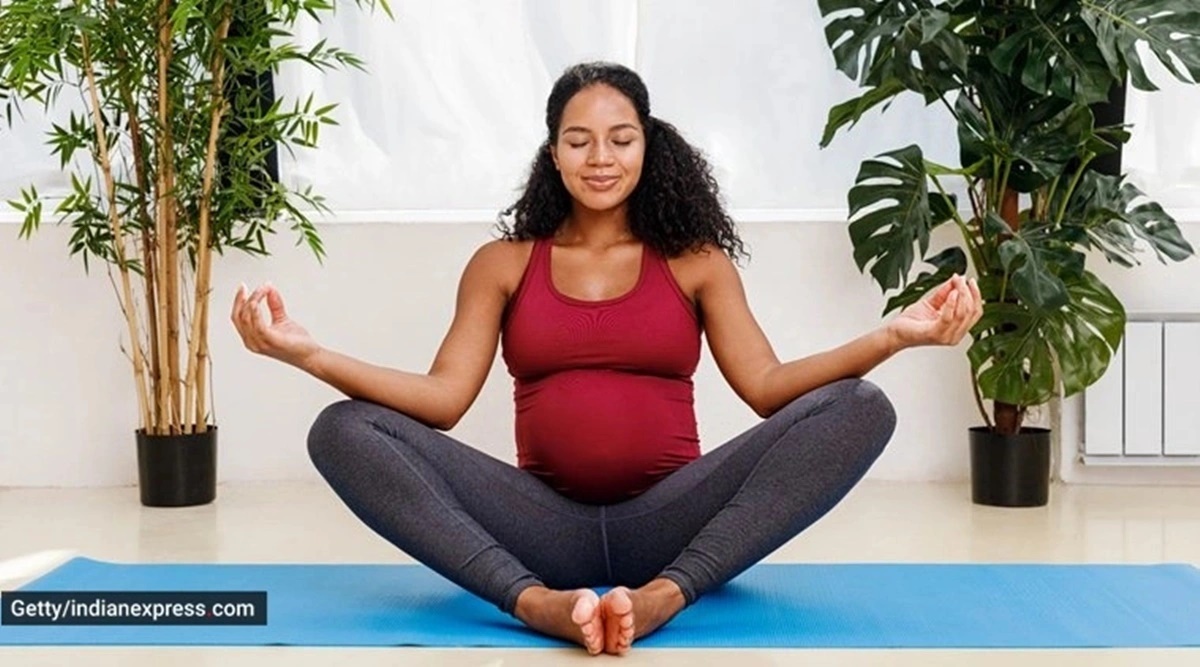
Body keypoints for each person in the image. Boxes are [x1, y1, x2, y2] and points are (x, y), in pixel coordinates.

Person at [230, 61, 983, 656]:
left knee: (860, 408)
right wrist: (309, 352)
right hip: (541, 529)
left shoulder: (695, 261)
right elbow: (442, 398)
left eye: (621, 138)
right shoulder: (503, 262)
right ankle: (535, 604)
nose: (600, 157)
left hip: (675, 521)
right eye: (578, 139)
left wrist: (895, 335)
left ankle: (664, 596)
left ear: (647, 147)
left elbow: (768, 387)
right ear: (552, 153)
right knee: (341, 429)